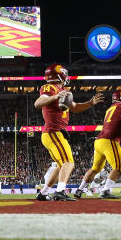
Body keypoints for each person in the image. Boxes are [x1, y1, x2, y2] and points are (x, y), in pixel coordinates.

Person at [34, 63, 104, 201]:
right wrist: (55, 97)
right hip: (53, 132)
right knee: (68, 162)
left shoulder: (63, 91)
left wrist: (89, 103)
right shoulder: (50, 88)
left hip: (55, 133)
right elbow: (38, 103)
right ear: (61, 75)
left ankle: (44, 193)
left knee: (61, 165)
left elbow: (74, 107)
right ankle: (60, 192)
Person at [74, 90, 121, 199]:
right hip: (109, 140)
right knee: (119, 167)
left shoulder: (111, 108)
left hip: (99, 141)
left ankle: (80, 189)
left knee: (95, 168)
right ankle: (105, 191)